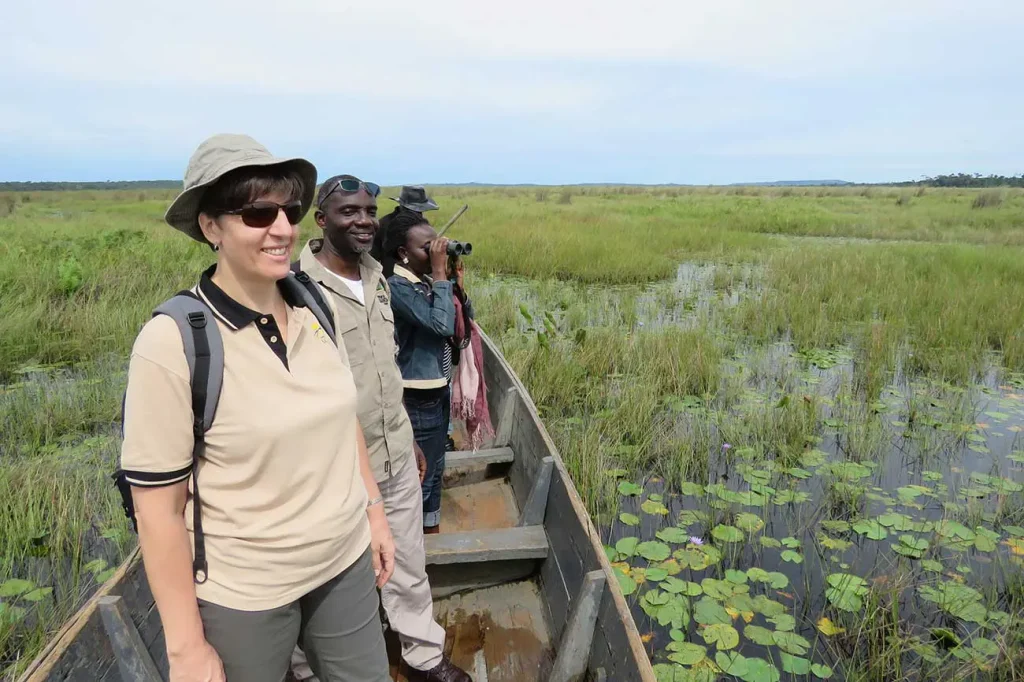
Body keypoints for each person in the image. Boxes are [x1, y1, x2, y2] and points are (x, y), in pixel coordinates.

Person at [120, 135, 393, 682]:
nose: (282, 229)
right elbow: (157, 510)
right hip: (245, 591)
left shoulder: (313, 304)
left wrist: (374, 512)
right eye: (256, 213)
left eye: (289, 210)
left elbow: (344, 423)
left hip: (343, 563)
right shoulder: (175, 341)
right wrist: (186, 648)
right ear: (211, 227)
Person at [291, 174, 472, 682]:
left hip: (395, 450)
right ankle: (307, 668)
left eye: (370, 210)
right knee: (326, 574)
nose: (364, 220)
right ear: (321, 220)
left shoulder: (379, 277)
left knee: (410, 560)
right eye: (349, 211)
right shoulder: (296, 287)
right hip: (337, 467)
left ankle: (423, 654)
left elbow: (386, 373)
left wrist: (410, 437)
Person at [380, 213, 456, 535]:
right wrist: (439, 274)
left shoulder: (423, 282)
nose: (435, 252)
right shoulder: (398, 287)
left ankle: (431, 528)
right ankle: (416, 545)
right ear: (403, 254)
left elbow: (459, 326)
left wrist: (452, 283)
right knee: (421, 474)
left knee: (437, 467)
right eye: (427, 247)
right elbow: (441, 325)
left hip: (438, 388)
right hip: (417, 395)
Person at [373, 185, 439, 262]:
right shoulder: (384, 224)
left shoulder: (421, 225)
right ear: (402, 206)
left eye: (419, 211)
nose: (417, 214)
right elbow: (374, 255)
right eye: (412, 210)